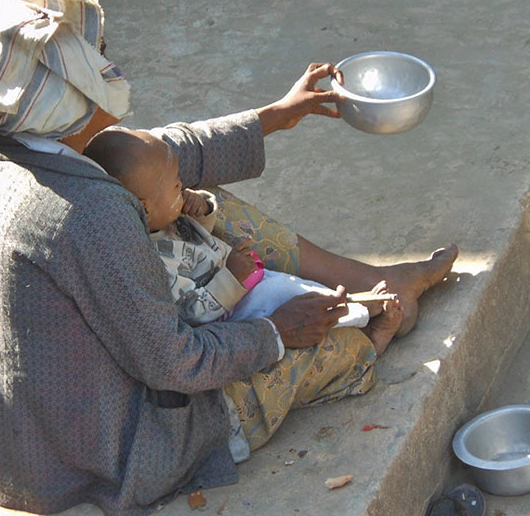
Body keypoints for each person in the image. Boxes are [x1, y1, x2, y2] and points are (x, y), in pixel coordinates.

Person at [0, 0, 458, 515]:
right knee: (326, 348)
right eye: (100, 58)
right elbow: (175, 365)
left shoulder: (14, 139)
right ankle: (374, 327)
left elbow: (159, 153)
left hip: (35, 430)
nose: (112, 65)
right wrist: (278, 332)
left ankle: (373, 279)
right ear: (73, 91)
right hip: (107, 452)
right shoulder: (88, 213)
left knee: (181, 191)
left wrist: (278, 114)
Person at [82, 127, 402, 355]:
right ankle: (369, 318)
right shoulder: (151, 262)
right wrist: (231, 278)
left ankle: (356, 307)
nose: (183, 189)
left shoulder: (161, 218)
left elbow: (201, 232)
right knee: (299, 302)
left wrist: (202, 207)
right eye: (176, 186)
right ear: (143, 206)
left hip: (248, 283)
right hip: (233, 315)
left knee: (295, 288)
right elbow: (191, 313)